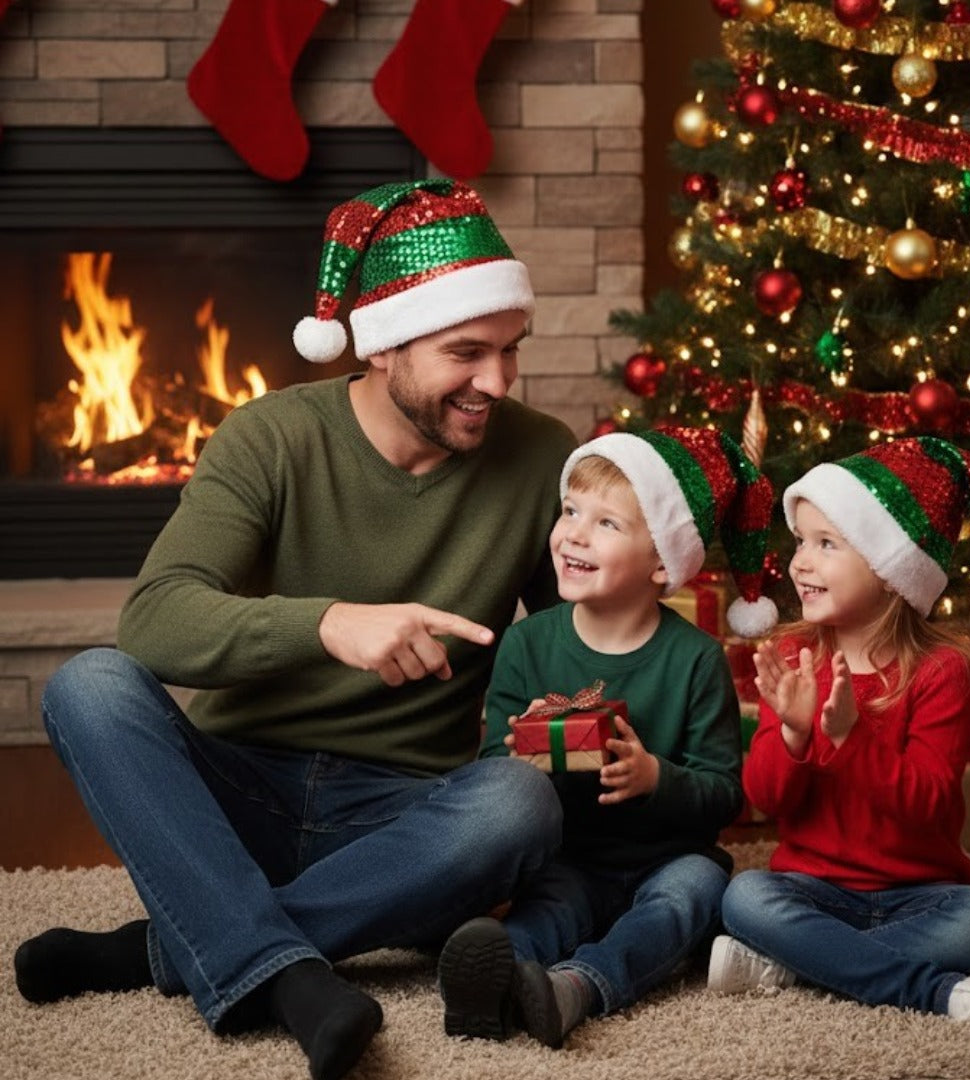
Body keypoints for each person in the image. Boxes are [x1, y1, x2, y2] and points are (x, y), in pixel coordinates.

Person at [13, 179, 579, 1080]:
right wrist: (329, 625)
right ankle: (283, 971)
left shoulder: (544, 454)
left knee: (520, 803)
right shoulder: (269, 438)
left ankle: (174, 949)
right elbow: (154, 618)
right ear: (383, 343)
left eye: (512, 351)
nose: (498, 383)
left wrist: (586, 702)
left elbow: (575, 647)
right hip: (237, 793)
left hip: (403, 819)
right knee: (90, 683)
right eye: (467, 352)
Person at [436, 425, 779, 1048]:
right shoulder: (527, 642)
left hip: (668, 859)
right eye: (570, 511)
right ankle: (492, 979)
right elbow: (490, 762)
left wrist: (655, 778)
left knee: (695, 895)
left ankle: (578, 988)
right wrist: (521, 760)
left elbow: (726, 792)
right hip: (569, 857)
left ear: (662, 563)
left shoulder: (697, 661)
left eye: (606, 524)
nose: (573, 532)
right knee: (547, 909)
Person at [709, 436, 970, 1032]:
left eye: (826, 544)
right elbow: (765, 797)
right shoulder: (794, 654)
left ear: (890, 571)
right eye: (802, 540)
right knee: (744, 896)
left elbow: (928, 805)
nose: (800, 561)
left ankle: (801, 962)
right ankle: (939, 993)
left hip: (921, 892)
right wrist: (796, 738)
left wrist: (854, 738)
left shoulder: (943, 672)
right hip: (810, 887)